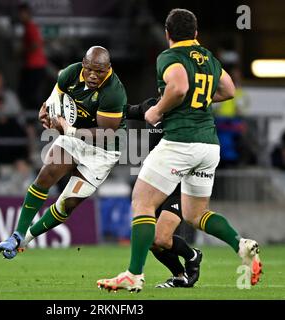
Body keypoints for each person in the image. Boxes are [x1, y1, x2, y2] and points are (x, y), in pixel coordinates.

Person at [97, 8, 262, 292]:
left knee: (142, 201)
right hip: (208, 144)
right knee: (195, 215)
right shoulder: (208, 57)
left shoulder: (170, 57)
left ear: (167, 34)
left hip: (181, 141)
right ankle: (240, 244)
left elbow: (179, 87)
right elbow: (229, 90)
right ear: (195, 33)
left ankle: (133, 275)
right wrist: (199, 102)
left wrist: (157, 111)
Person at [0, 46, 127, 258]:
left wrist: (68, 130)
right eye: (89, 69)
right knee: (46, 174)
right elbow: (55, 97)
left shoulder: (113, 92)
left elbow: (106, 133)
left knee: (67, 203)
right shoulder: (71, 73)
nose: (94, 75)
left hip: (103, 150)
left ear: (109, 69)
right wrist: (46, 110)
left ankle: (26, 239)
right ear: (83, 64)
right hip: (75, 138)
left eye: (100, 71)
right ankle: (17, 234)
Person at [126, 98, 202, 288]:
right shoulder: (150, 105)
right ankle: (179, 276)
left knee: (160, 238)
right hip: (153, 183)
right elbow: (124, 110)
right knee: (151, 241)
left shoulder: (186, 111)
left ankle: (192, 255)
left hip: (178, 184)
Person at [17, 3, 48, 109]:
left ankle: (34, 117)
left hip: (34, 67)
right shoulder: (29, 27)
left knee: (29, 94)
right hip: (33, 66)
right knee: (27, 93)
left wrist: (22, 51)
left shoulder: (30, 27)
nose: (20, 16)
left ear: (27, 14)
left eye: (22, 13)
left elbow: (35, 44)